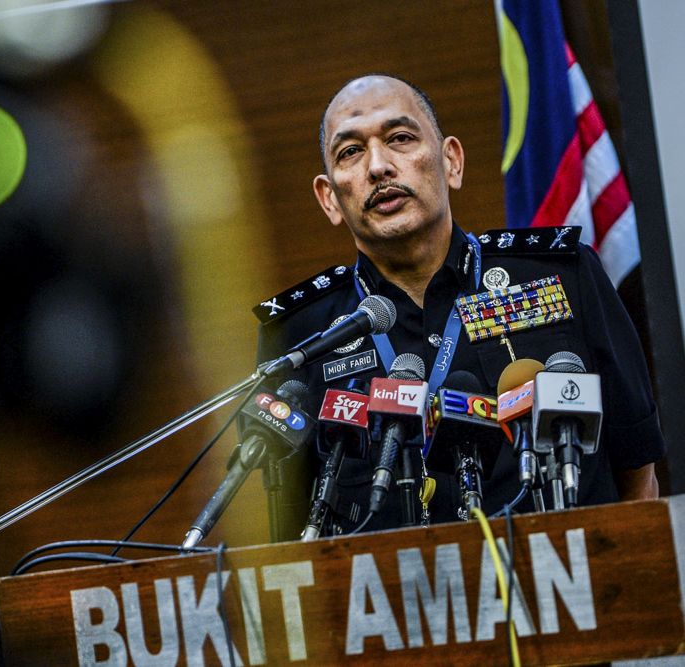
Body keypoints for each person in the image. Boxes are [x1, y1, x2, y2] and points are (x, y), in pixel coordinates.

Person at [254, 74, 664, 537]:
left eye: (400, 138)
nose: (379, 166)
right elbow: (289, 535)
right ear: (329, 198)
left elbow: (638, 470)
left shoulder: (563, 276)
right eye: (350, 151)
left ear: (452, 161)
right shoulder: (299, 335)